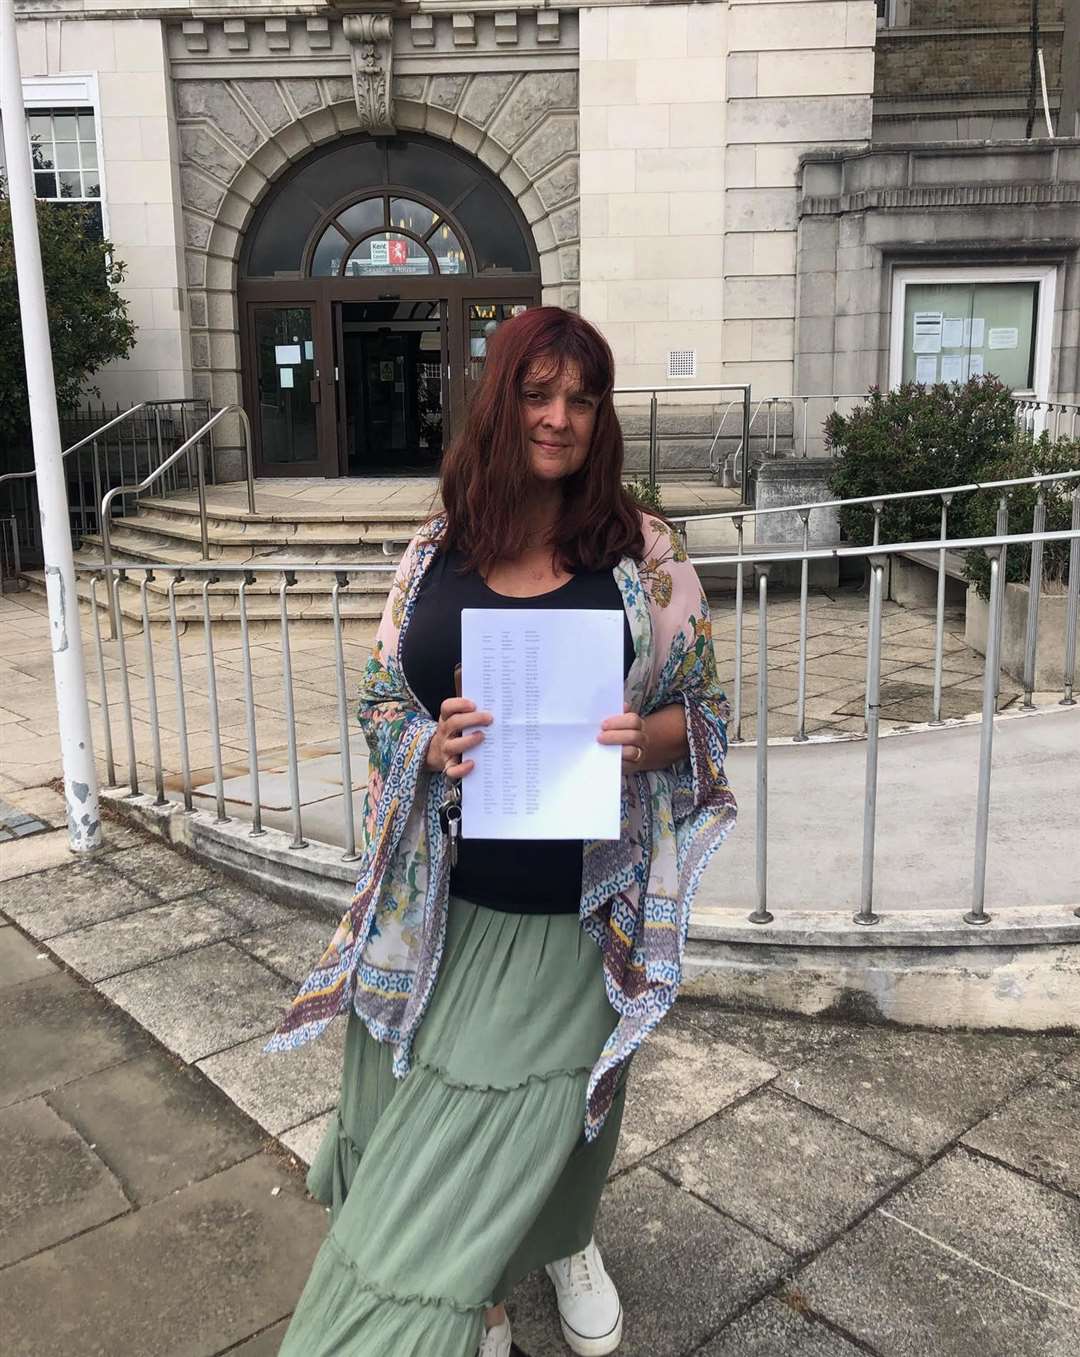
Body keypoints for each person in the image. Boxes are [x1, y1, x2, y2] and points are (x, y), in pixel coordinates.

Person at [266, 307, 737, 1357]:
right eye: (538, 394)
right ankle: (478, 1299)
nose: (559, 418)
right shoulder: (436, 550)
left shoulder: (643, 558)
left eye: (581, 398)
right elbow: (382, 698)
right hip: (431, 912)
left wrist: (639, 742)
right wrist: (428, 745)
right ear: (502, 401)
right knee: (427, 1141)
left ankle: (565, 1240)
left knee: (547, 1111)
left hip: (568, 918)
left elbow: (707, 718)